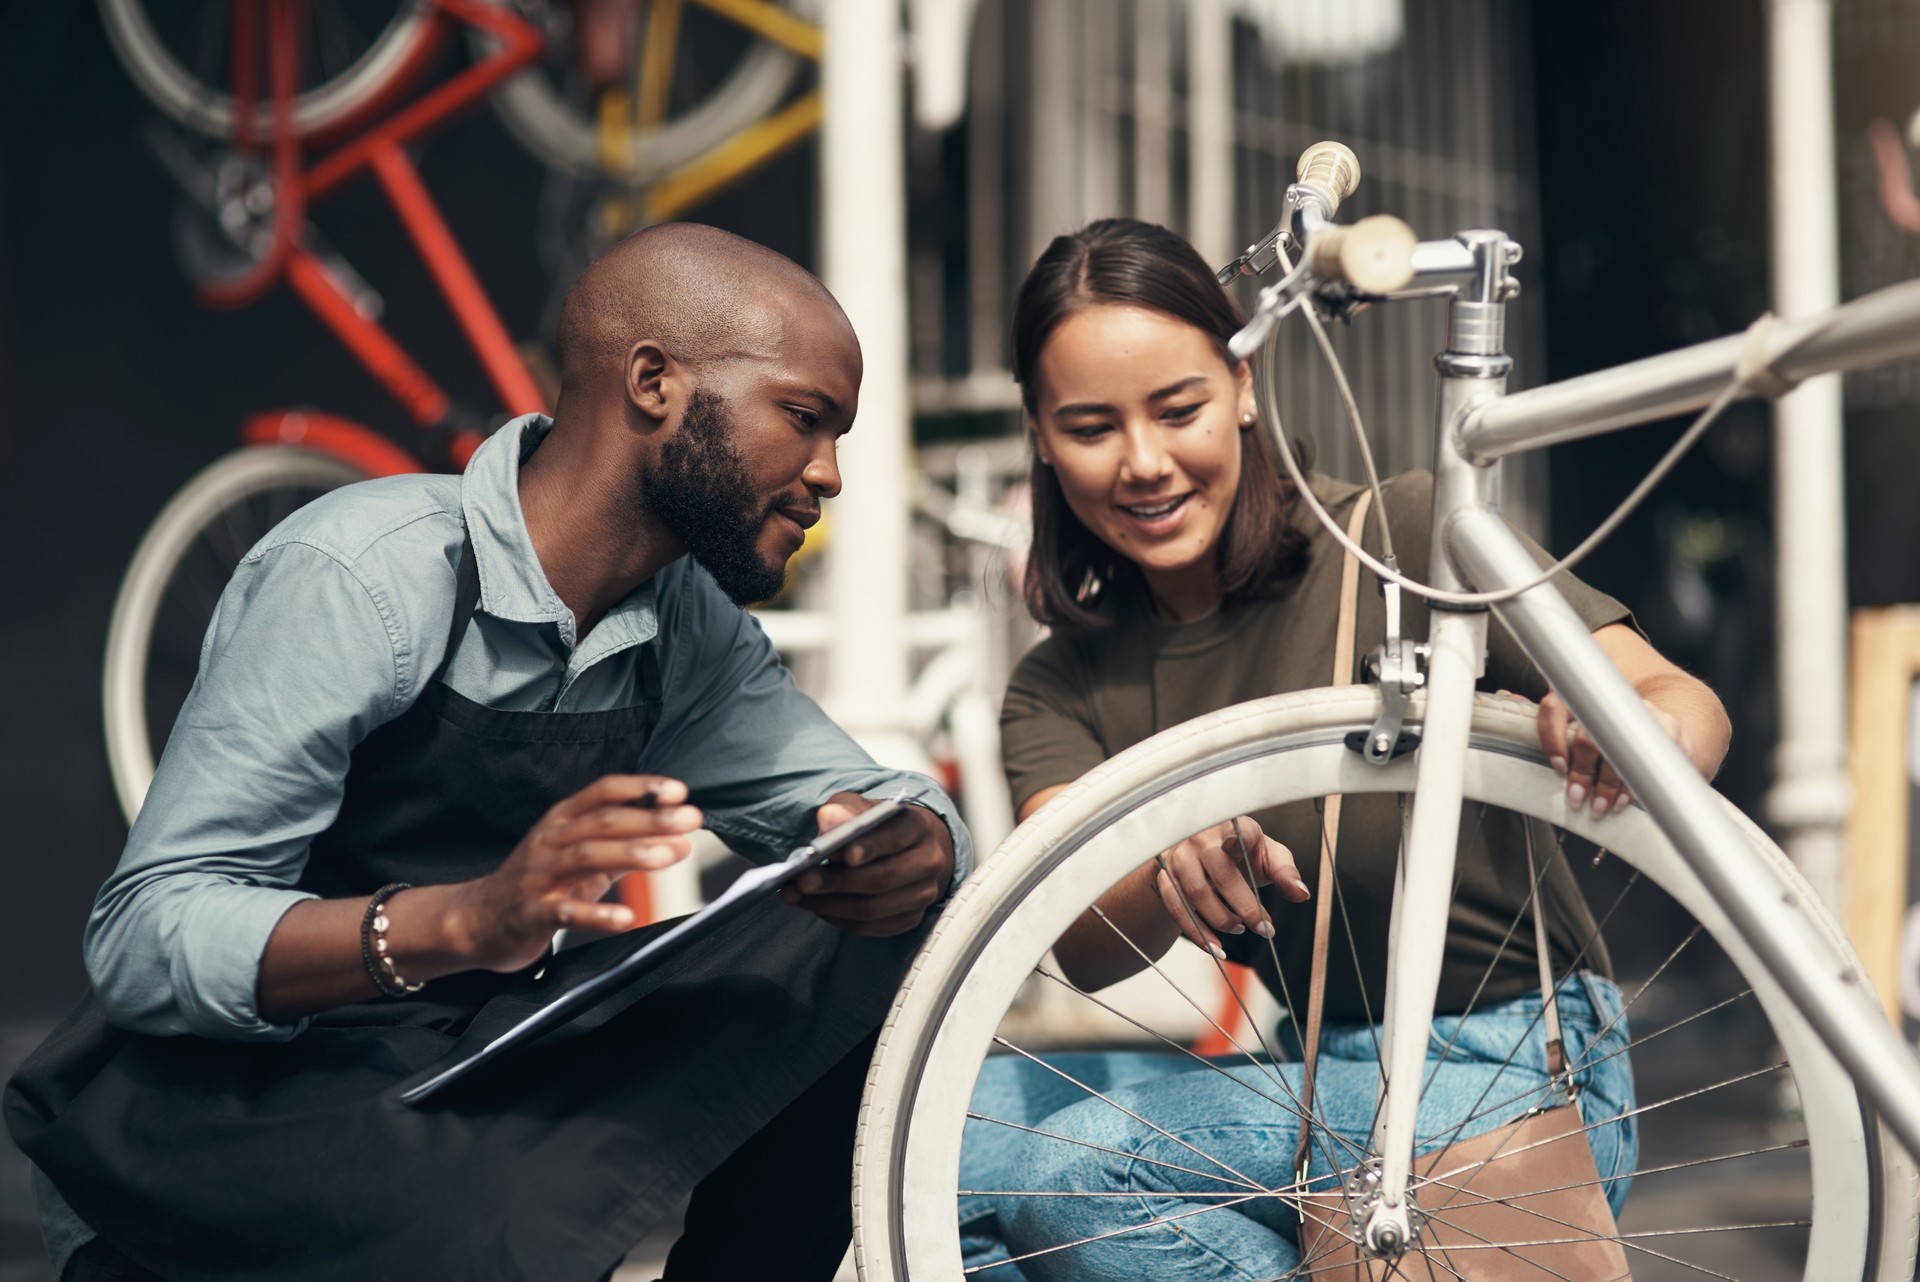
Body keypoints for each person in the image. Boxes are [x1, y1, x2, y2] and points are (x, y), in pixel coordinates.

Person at [6, 224, 969, 1282]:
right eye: (804, 418)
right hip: (230, 1099)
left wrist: (913, 844)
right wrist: (466, 920)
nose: (829, 473)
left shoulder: (683, 626)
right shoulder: (364, 576)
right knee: (500, 1224)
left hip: (462, 1053)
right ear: (654, 382)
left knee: (889, 936)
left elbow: (875, 801)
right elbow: (146, 936)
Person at [957, 219, 1731, 1280]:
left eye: (1177, 407)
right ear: (1042, 436)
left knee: (1078, 1177)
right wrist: (1167, 867)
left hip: (1516, 1064)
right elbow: (1075, 938)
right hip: (1303, 1075)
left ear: (1244, 385)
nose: (1143, 462)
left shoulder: (1404, 533)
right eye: (1091, 426)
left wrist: (1625, 721)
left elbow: (1678, 698)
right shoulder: (1059, 685)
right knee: (938, 1138)